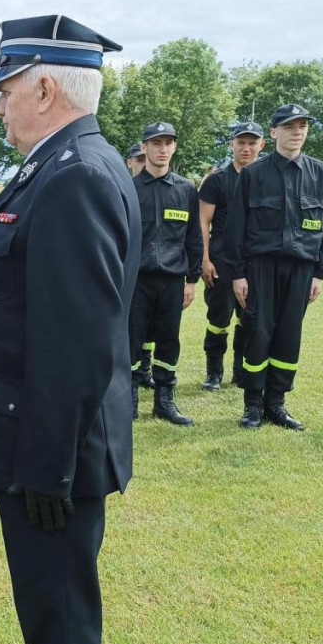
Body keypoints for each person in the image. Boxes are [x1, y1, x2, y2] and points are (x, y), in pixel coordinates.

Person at [0, 15, 139, 644]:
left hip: (51, 461)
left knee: (62, 635)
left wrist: (47, 470)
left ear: (46, 89)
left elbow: (75, 345)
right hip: (44, 450)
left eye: (7, 88)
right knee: (52, 620)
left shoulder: (74, 175)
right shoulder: (60, 166)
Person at [223, 104, 323, 430]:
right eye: (289, 126)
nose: (297, 131)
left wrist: (319, 272)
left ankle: (277, 403)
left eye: (302, 126)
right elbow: (236, 229)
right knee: (258, 333)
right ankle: (253, 405)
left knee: (289, 335)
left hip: (301, 269)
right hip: (260, 268)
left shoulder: (320, 173)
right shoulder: (254, 174)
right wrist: (239, 273)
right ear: (273, 133)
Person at [128, 122, 202, 426]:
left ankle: (164, 401)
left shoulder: (185, 189)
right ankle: (128, 399)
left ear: (174, 147)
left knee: (169, 340)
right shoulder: (129, 188)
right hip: (136, 280)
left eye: (167, 143)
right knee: (131, 341)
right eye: (155, 144)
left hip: (172, 280)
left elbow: (194, 237)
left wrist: (192, 280)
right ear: (144, 148)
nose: (162, 149)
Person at [198, 122, 265, 391]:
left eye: (252, 143)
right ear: (232, 145)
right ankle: (214, 372)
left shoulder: (265, 178)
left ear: (262, 145)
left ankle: (240, 370)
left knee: (247, 318)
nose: (246, 148)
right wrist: (204, 259)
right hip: (221, 261)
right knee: (219, 318)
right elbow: (203, 222)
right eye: (241, 142)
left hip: (255, 262)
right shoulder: (217, 180)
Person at [124, 142, 155, 387]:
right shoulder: (125, 190)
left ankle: (145, 369)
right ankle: (132, 376)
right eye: (139, 160)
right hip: (133, 272)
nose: (143, 164)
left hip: (159, 273)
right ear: (130, 162)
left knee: (152, 330)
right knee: (132, 327)